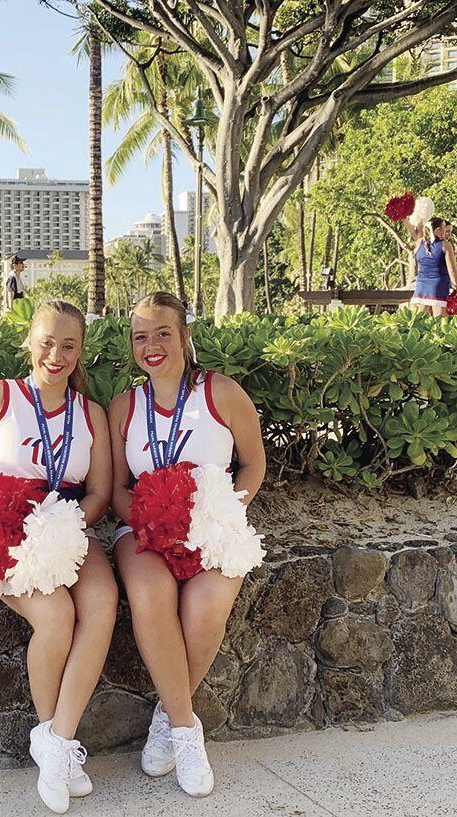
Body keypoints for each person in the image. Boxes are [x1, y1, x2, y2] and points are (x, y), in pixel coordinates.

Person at [0, 300, 117, 814]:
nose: (56, 354)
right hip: (2, 528)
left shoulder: (92, 413)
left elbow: (101, 493)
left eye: (69, 345)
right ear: (29, 341)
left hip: (67, 526)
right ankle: (54, 742)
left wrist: (63, 527)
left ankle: (57, 742)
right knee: (57, 616)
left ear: (81, 349)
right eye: (47, 342)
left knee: (103, 602)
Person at [107, 292, 266, 799]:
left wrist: (222, 510)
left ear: (185, 337)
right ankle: (187, 733)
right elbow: (113, 488)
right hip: (144, 531)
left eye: (162, 334)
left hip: (213, 527)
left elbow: (253, 464)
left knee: (204, 610)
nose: (151, 345)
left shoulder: (222, 392)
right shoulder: (123, 406)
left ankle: (168, 718)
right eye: (140, 337)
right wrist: (153, 521)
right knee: (151, 598)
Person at [409, 216, 457, 316]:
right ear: (438, 230)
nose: (446, 230)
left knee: (419, 321)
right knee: (441, 323)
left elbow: (412, 230)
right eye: (444, 227)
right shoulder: (445, 245)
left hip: (421, 286)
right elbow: (452, 270)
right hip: (438, 287)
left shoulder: (419, 242)